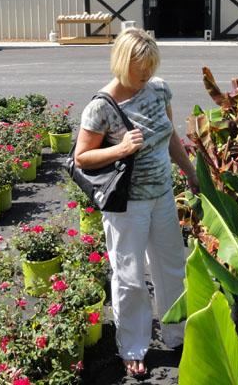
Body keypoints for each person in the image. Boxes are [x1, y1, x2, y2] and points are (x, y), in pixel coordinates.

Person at [74, 27, 199, 378]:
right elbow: (81, 158)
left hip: (161, 198)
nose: (144, 74)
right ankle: (132, 346)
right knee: (129, 278)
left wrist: (189, 171)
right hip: (126, 206)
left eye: (149, 66)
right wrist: (121, 148)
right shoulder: (102, 107)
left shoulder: (159, 89)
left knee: (172, 266)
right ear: (121, 62)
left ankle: (177, 333)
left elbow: (171, 135)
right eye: (138, 68)